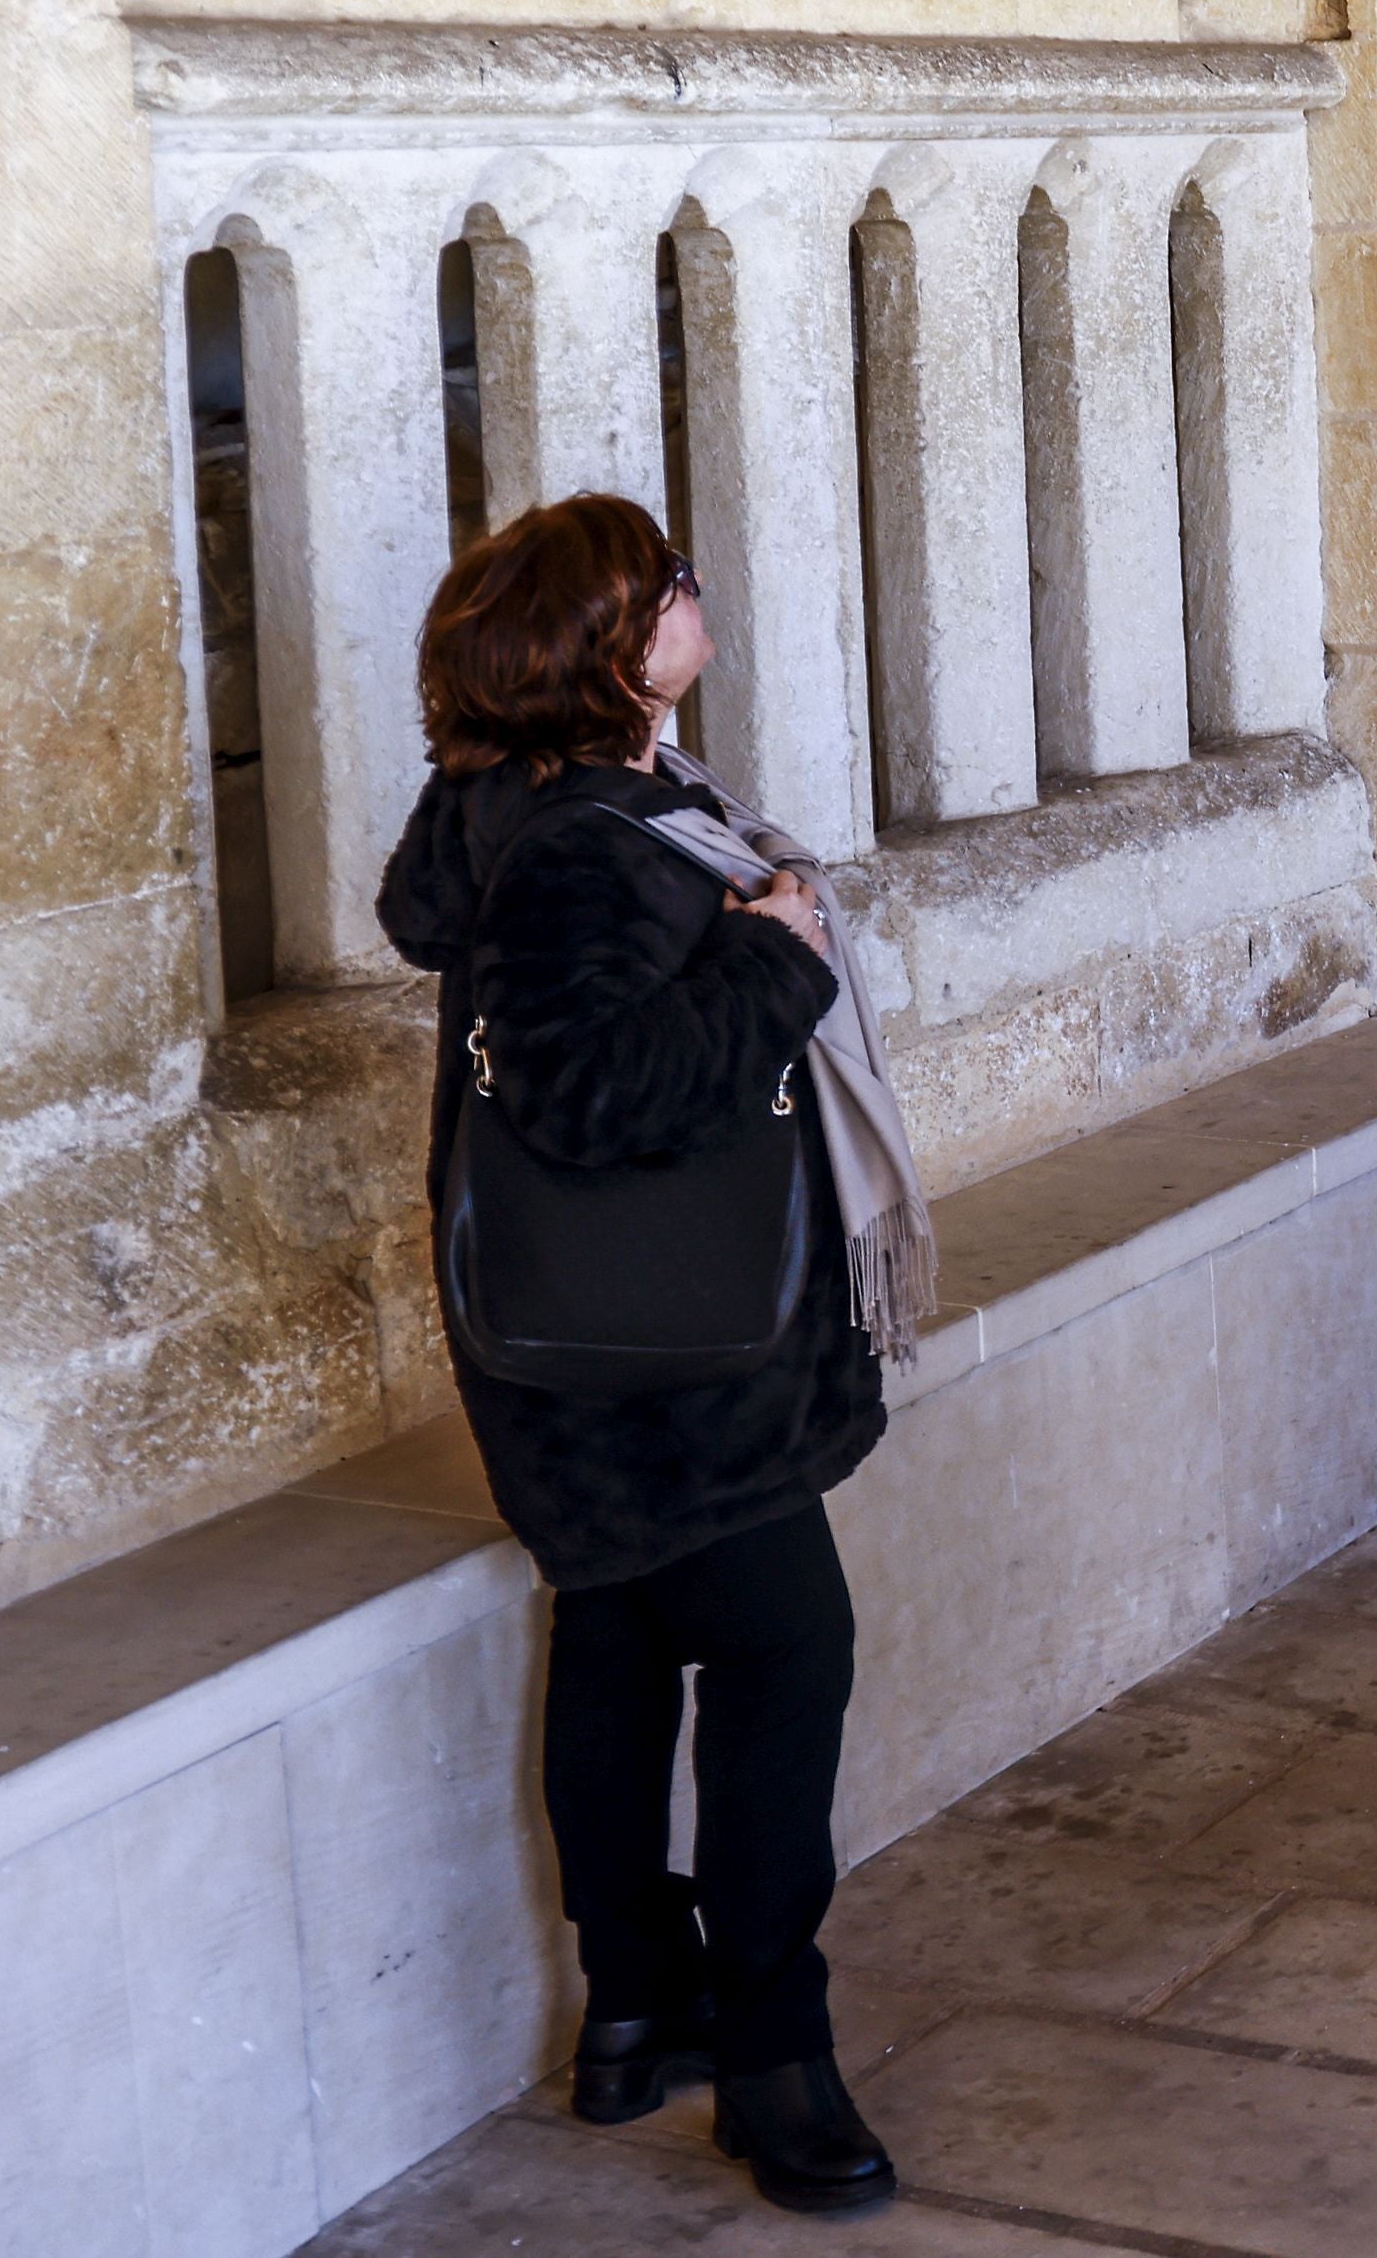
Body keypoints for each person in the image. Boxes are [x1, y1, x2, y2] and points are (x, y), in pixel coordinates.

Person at [375, 495, 916, 2221]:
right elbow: (592, 1091)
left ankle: (632, 2009)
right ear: (603, 647)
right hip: (669, 1361)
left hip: (571, 1344)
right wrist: (774, 963)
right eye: (664, 583)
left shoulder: (521, 812)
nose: (696, 596)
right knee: (784, 1654)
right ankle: (777, 2058)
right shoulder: (592, 848)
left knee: (615, 1628)